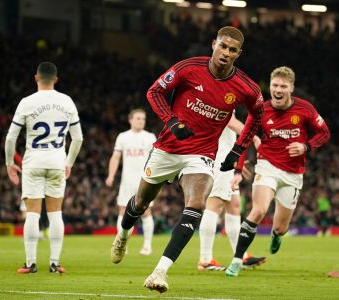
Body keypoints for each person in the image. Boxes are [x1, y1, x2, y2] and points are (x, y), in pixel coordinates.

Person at [110, 26, 264, 293]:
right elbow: (154, 92)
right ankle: (123, 236)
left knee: (197, 204)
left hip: (201, 155)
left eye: (232, 50)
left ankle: (160, 272)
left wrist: (238, 151)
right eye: (223, 46)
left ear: (239, 54)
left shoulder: (245, 87)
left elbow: (257, 114)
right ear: (213, 44)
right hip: (168, 148)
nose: (226, 53)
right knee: (140, 203)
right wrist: (171, 121)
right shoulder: (188, 68)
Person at [225, 66, 331, 277]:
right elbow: (244, 138)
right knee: (258, 210)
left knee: (281, 227)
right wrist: (238, 169)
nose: (278, 89)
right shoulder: (260, 110)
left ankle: (276, 234)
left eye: (283, 86)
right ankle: (237, 260)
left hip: (293, 173)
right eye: (275, 85)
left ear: (291, 88)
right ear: (270, 86)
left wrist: (306, 147)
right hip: (267, 166)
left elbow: (324, 133)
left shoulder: (305, 109)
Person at [5, 61, 83, 273]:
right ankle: (55, 263)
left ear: (36, 78)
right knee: (55, 212)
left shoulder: (27, 102)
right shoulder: (66, 101)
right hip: (57, 161)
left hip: (33, 162)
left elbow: (11, 137)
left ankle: (30, 263)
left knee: (32, 214)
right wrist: (69, 163)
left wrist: (9, 163)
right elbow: (78, 138)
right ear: (56, 79)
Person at [198, 116, 265, 271]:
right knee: (215, 204)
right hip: (220, 158)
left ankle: (240, 256)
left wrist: (237, 163)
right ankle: (205, 259)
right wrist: (254, 137)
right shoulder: (222, 94)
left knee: (234, 205)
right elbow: (230, 121)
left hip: (227, 157)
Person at [105, 109, 156, 255]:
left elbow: (156, 158)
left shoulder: (150, 137)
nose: (141, 121)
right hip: (127, 180)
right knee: (122, 210)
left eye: (143, 119)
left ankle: (147, 246)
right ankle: (122, 243)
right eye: (138, 118)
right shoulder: (123, 137)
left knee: (146, 211)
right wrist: (111, 175)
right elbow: (115, 157)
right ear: (130, 120)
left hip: (144, 180)